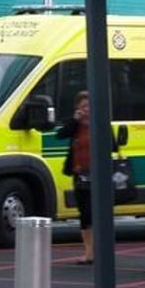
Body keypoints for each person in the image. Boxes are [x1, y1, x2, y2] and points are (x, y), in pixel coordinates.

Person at [57, 91, 94, 264]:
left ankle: (99, 249)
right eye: (81, 107)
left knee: (98, 213)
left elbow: (112, 144)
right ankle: (89, 251)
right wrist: (74, 119)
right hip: (80, 173)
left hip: (98, 174)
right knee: (85, 213)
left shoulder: (99, 122)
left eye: (87, 106)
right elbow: (60, 135)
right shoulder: (75, 126)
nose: (85, 110)